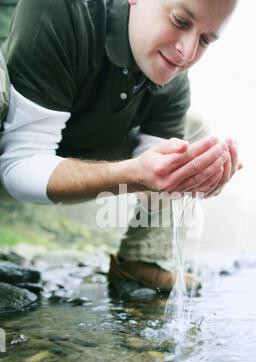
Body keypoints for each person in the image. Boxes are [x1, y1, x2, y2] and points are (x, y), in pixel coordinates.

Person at [0, 0, 242, 292]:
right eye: (180, 21)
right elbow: (17, 165)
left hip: (81, 151)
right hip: (10, 143)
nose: (187, 53)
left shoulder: (175, 81)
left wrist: (187, 179)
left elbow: (150, 193)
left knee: (192, 135)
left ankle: (140, 263)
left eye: (205, 40)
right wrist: (130, 174)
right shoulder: (60, 9)